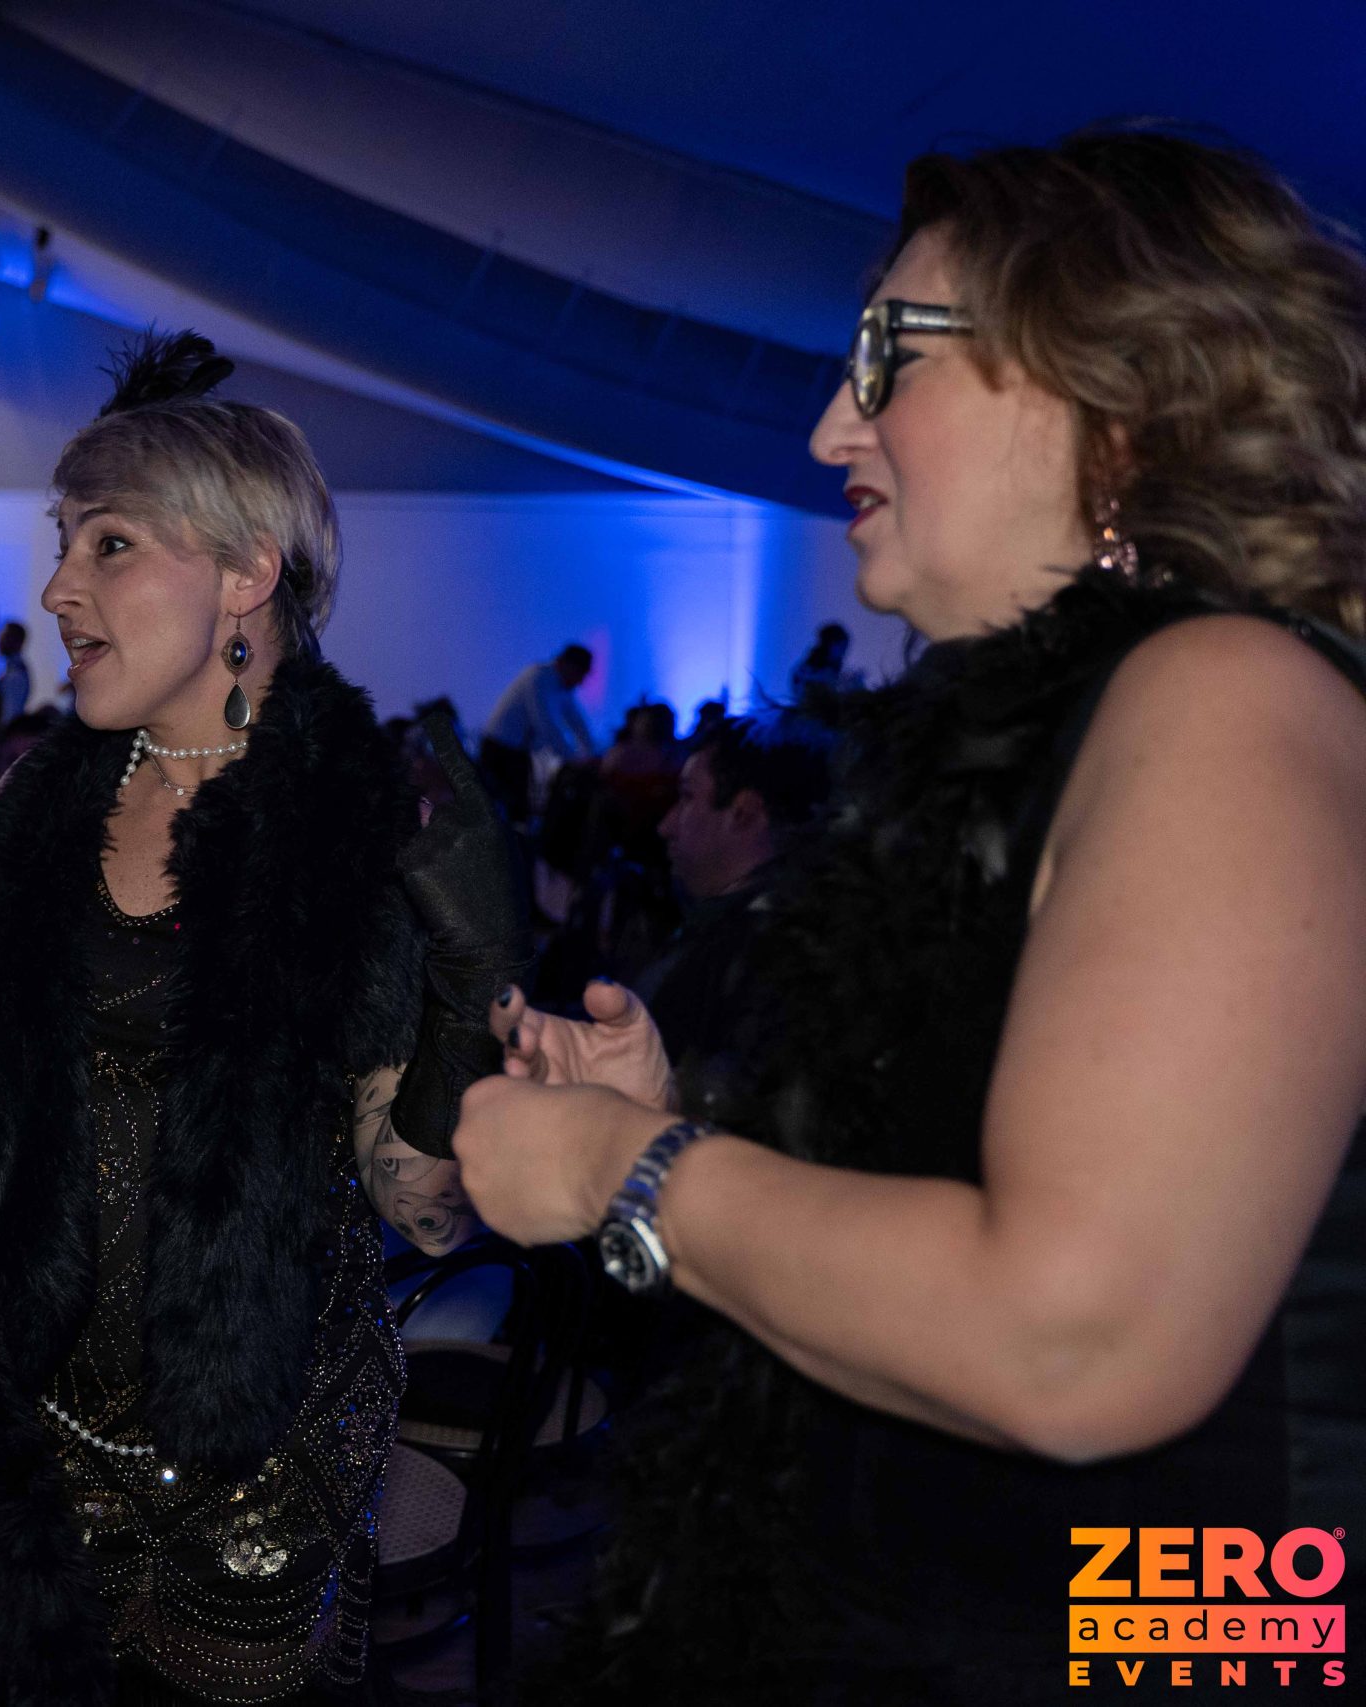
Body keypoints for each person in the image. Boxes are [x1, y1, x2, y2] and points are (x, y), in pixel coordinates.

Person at [457, 131, 1366, 1703]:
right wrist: (694, 1131)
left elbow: (1078, 1337)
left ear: (1119, 393)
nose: (830, 424)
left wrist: (633, 1171)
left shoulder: (1225, 694)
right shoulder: (1078, 734)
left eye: (892, 352)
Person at [0, 331, 520, 1705]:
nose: (58, 584)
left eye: (108, 544)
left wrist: (470, 987)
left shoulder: (355, 821)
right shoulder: (46, 791)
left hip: (248, 1456)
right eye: (62, 542)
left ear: (246, 574)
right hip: (3, 1413)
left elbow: (421, 1206)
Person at [637, 714, 832, 1070]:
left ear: (744, 812)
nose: (666, 826)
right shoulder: (799, 925)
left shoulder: (751, 955)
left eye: (687, 797)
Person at [480, 641, 597, 813]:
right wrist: (574, 759)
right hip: (500, 751)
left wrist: (591, 752)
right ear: (569, 666)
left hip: (516, 751)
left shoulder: (559, 685)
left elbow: (577, 721)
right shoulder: (538, 678)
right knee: (499, 808)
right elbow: (545, 724)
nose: (580, 682)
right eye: (581, 675)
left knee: (514, 809)